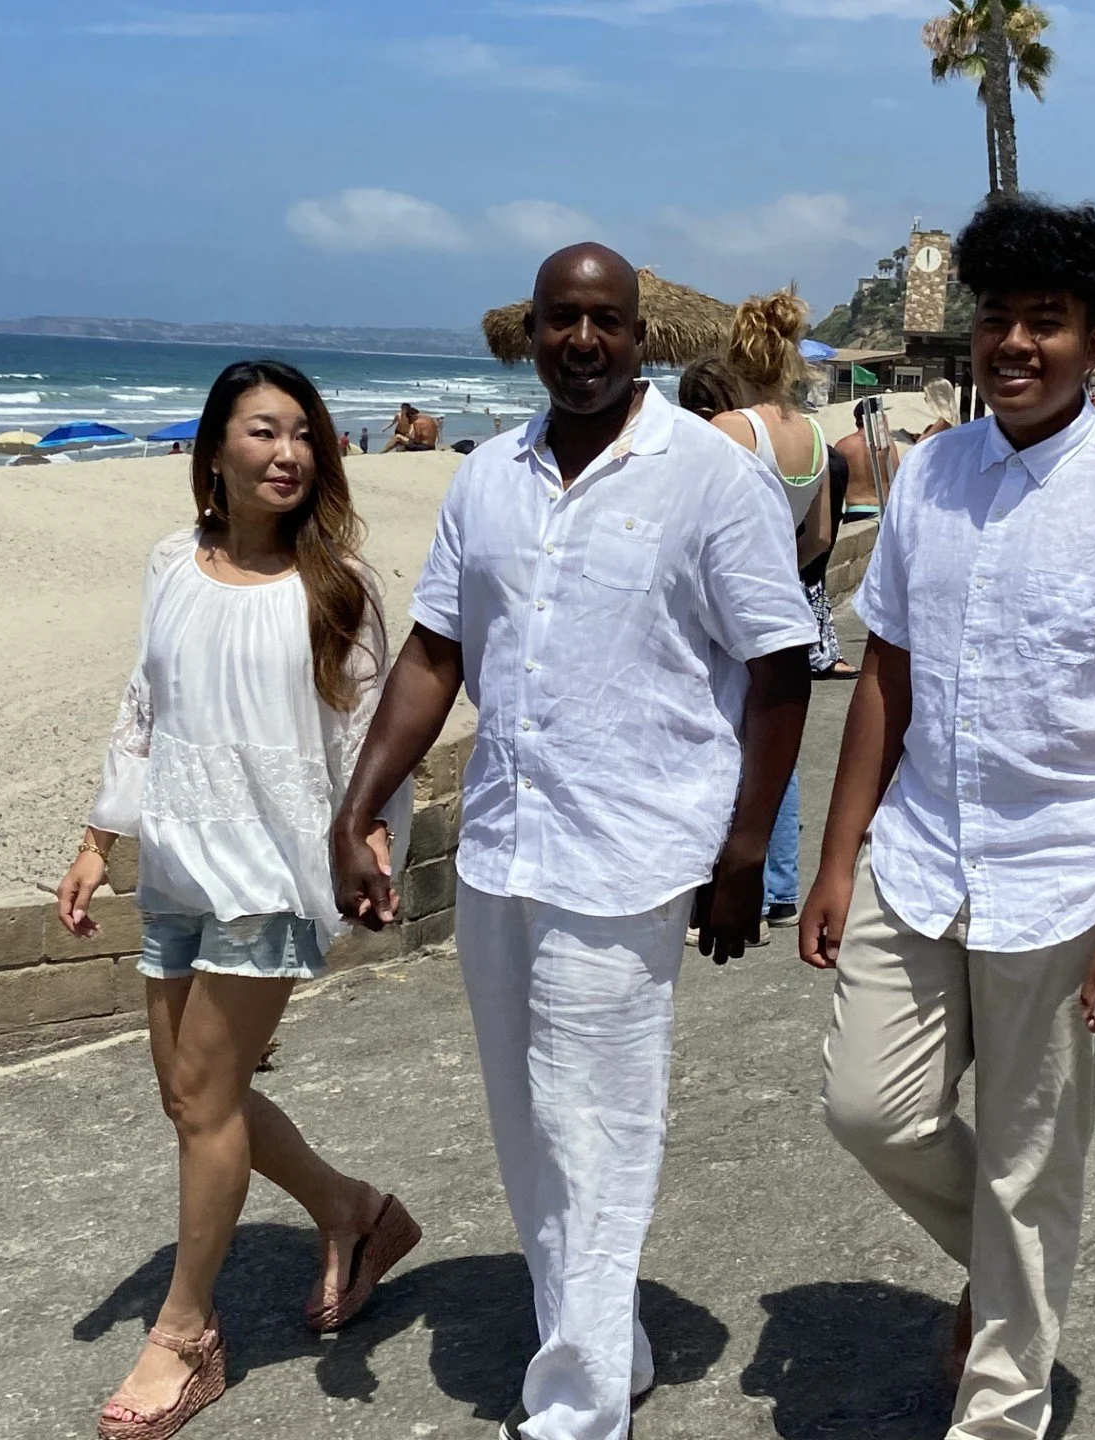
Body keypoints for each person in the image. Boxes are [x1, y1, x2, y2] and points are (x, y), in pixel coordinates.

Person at [331, 243, 815, 1440]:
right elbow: (434, 655)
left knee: (599, 1124)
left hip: (637, 852)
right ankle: (612, 1342)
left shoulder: (708, 477)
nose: (584, 342)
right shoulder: (486, 478)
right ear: (532, 333)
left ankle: (580, 1409)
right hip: (506, 843)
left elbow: (779, 665)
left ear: (641, 336)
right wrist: (358, 808)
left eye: (607, 321)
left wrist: (747, 850)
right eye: (562, 321)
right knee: (530, 1122)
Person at [801, 196, 1095, 1440]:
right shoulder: (931, 473)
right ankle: (1008, 1277)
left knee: (1031, 1156)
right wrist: (838, 857)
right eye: (998, 319)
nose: (1015, 344)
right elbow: (884, 672)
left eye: (1045, 323)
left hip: (1066, 871)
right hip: (923, 853)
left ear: (1093, 341)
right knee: (869, 1110)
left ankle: (1001, 1407)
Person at [55, 360, 421, 1440]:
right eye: (264, 432)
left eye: (304, 435)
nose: (287, 454)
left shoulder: (339, 586)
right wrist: (95, 839)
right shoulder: (173, 561)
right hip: (175, 855)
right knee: (188, 1095)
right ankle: (355, 1213)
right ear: (215, 449)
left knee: (206, 1101)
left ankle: (184, 1335)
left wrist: (372, 849)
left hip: (272, 870)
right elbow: (145, 703)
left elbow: (370, 745)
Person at [713, 290, 838, 929]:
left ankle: (736, 892)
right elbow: (819, 536)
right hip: (786, 602)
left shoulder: (732, 431)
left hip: (729, 614)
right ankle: (781, 886)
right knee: (775, 747)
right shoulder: (814, 435)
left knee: (727, 745)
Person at [836, 399, 896, 522]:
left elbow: (835, 485)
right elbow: (896, 476)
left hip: (854, 509)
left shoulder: (843, 446)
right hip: (881, 510)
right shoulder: (886, 445)